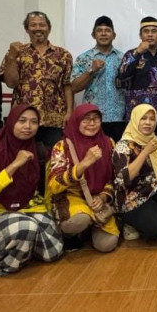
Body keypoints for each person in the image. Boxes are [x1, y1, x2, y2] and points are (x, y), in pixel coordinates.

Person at [0, 105, 64, 277]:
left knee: (52, 251)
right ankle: (1, 257)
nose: (28, 126)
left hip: (29, 207)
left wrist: (49, 213)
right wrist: (13, 166)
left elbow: (46, 190)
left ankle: (19, 247)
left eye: (34, 122)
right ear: (11, 122)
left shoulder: (39, 150)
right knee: (26, 227)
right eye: (22, 121)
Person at [47, 104, 119, 253]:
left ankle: (89, 227)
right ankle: (73, 233)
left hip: (97, 199)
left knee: (107, 245)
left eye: (96, 119)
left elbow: (115, 177)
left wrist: (103, 196)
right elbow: (54, 185)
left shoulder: (108, 143)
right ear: (76, 121)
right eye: (86, 120)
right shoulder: (63, 146)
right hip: (72, 196)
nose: (91, 124)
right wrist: (84, 163)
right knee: (79, 221)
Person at [0, 11, 73, 152]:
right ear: (27, 29)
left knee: (53, 160)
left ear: (49, 28)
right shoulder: (16, 52)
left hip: (54, 118)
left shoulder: (63, 55)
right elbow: (11, 83)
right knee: (23, 159)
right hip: (23, 118)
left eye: (42, 25)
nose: (38, 28)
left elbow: (67, 85)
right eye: (33, 25)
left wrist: (69, 111)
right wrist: (12, 57)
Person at [112, 104, 157, 242]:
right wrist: (145, 152)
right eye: (143, 118)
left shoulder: (154, 140)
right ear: (135, 120)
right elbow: (123, 179)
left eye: (152, 119)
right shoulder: (123, 145)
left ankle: (152, 215)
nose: (148, 122)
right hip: (131, 200)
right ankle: (129, 222)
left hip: (151, 191)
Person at [70, 16, 126, 142]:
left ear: (114, 35)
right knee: (93, 154)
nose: (103, 33)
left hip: (118, 117)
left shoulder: (123, 58)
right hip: (92, 119)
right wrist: (91, 70)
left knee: (117, 156)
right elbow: (74, 87)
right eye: (99, 30)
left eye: (107, 30)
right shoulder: (84, 58)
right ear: (93, 34)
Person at [117, 16, 157, 142]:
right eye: (146, 31)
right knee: (135, 152)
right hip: (137, 115)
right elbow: (121, 76)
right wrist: (138, 52)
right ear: (140, 35)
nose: (150, 35)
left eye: (154, 31)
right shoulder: (131, 54)